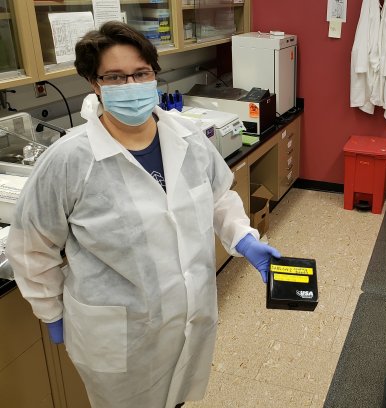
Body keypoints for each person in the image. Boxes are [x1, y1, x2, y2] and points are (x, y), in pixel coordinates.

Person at [6, 21, 280, 408]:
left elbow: (217, 197)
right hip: (119, 336)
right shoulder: (70, 160)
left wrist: (244, 238)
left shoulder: (187, 137)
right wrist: (50, 309)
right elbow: (32, 246)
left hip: (188, 316)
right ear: (94, 83)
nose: (131, 85)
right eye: (115, 77)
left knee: (178, 394)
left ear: (154, 75)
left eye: (140, 73)